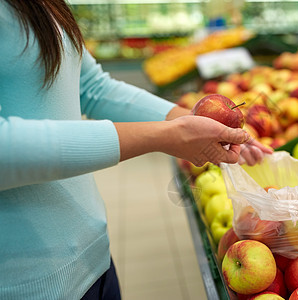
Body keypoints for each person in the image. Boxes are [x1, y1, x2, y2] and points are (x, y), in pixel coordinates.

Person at [0, 1, 272, 299]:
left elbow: (91, 87)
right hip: (24, 283)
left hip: (92, 257)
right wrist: (162, 136)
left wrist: (196, 123)